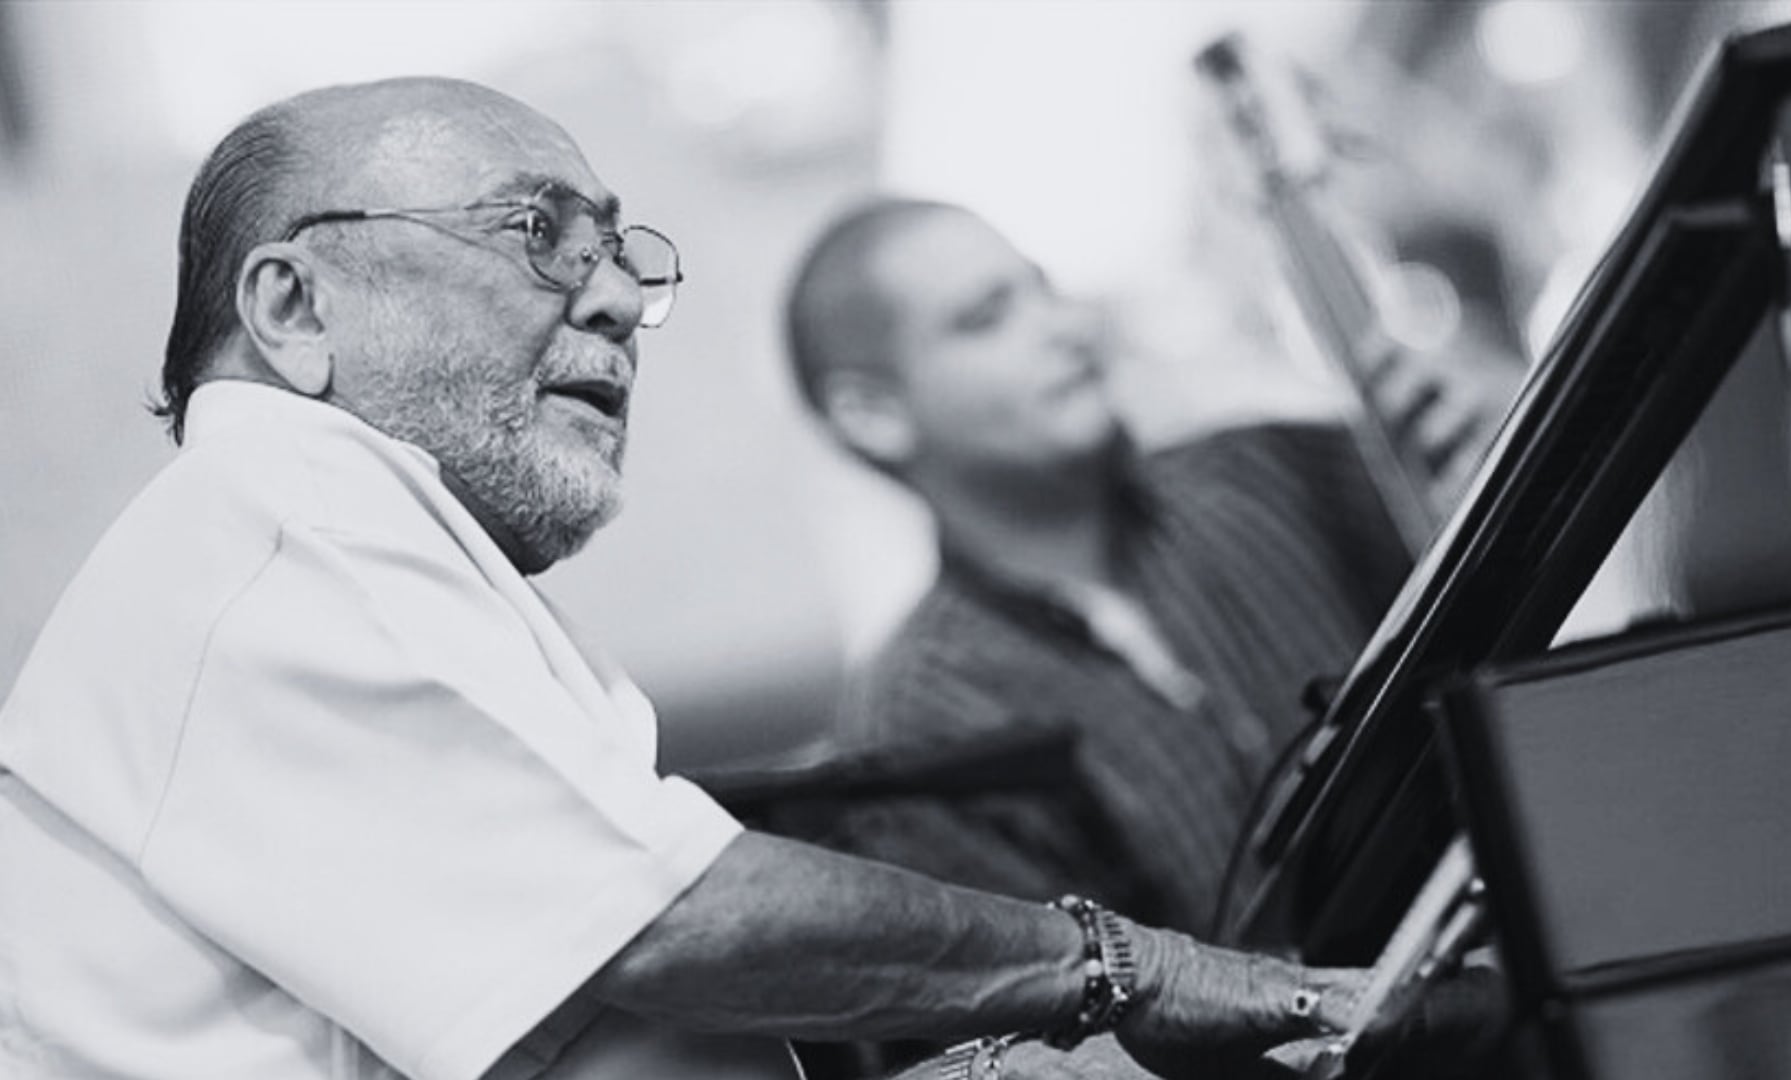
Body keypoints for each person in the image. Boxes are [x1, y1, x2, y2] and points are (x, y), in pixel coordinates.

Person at [0, 78, 1365, 1080]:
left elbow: (607, 1035)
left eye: (615, 255)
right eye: (537, 234)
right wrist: (1127, 968)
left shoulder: (337, 546)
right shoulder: (276, 533)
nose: (607, 301)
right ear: (295, 309)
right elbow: (673, 924)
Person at [781, 199, 1489, 938]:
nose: (1067, 329)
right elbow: (1065, 1033)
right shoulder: (919, 723)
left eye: (1044, 290)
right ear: (872, 414)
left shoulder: (1273, 474)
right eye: (986, 318)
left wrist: (1487, 462)